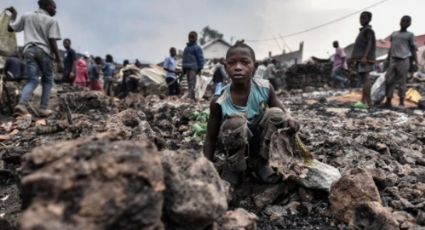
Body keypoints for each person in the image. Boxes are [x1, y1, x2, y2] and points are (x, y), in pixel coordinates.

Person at [203, 41, 300, 187]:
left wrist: (290, 120)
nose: (238, 67)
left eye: (245, 62)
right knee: (235, 122)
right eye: (232, 63)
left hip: (258, 142)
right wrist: (205, 169)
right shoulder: (219, 101)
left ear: (253, 67)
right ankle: (234, 168)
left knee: (276, 114)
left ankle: (261, 163)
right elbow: (210, 139)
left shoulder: (265, 88)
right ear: (226, 67)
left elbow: (283, 113)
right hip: (232, 144)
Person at [6, 0, 63, 117]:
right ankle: (43, 108)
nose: (55, 10)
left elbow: (11, 28)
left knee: (32, 80)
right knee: (47, 79)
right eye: (54, 7)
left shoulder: (27, 16)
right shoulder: (52, 21)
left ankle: (21, 105)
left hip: (29, 51)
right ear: (47, 6)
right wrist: (59, 60)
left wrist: (14, 15)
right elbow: (52, 40)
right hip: (44, 52)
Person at [384, 16, 418, 109]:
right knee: (389, 81)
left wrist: (416, 62)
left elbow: (413, 49)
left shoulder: (410, 35)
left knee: (402, 82)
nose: (405, 22)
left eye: (407, 21)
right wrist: (387, 59)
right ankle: (388, 101)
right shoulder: (394, 34)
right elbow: (391, 48)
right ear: (400, 21)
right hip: (393, 60)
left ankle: (401, 102)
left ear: (409, 24)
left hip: (403, 60)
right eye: (403, 20)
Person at [350, 11, 376, 108]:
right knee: (364, 79)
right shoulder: (363, 30)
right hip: (361, 59)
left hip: (365, 59)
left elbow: (369, 43)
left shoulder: (368, 30)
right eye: (361, 18)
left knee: (366, 79)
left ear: (369, 19)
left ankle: (367, 102)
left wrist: (365, 56)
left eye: (364, 18)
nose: (361, 20)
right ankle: (364, 101)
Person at [182, 31, 204, 101]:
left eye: (193, 37)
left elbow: (200, 58)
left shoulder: (197, 48)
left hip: (193, 69)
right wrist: (183, 68)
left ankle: (191, 98)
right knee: (189, 83)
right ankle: (191, 97)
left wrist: (200, 68)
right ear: (188, 38)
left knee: (192, 83)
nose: (191, 39)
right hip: (187, 68)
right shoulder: (186, 48)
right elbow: (184, 59)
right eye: (190, 37)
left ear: (196, 38)